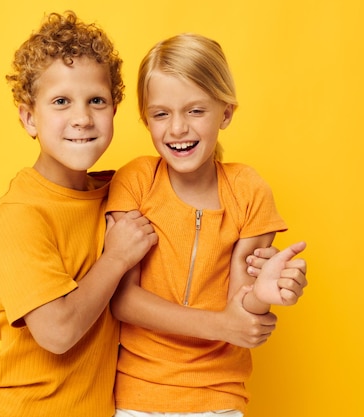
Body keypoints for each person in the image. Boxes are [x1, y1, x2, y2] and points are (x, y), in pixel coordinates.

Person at [107, 33, 308, 417]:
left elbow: (242, 308)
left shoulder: (248, 190)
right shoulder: (135, 181)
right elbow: (123, 300)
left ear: (226, 113)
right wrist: (223, 326)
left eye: (196, 111)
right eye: (161, 114)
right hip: (137, 397)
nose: (177, 129)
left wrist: (266, 293)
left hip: (218, 398)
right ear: (145, 118)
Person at [0, 11, 159, 417]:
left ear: (114, 108)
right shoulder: (21, 214)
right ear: (28, 117)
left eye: (97, 100)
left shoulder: (125, 193)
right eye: (61, 102)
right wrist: (117, 257)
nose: (82, 118)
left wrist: (257, 261)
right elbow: (57, 332)